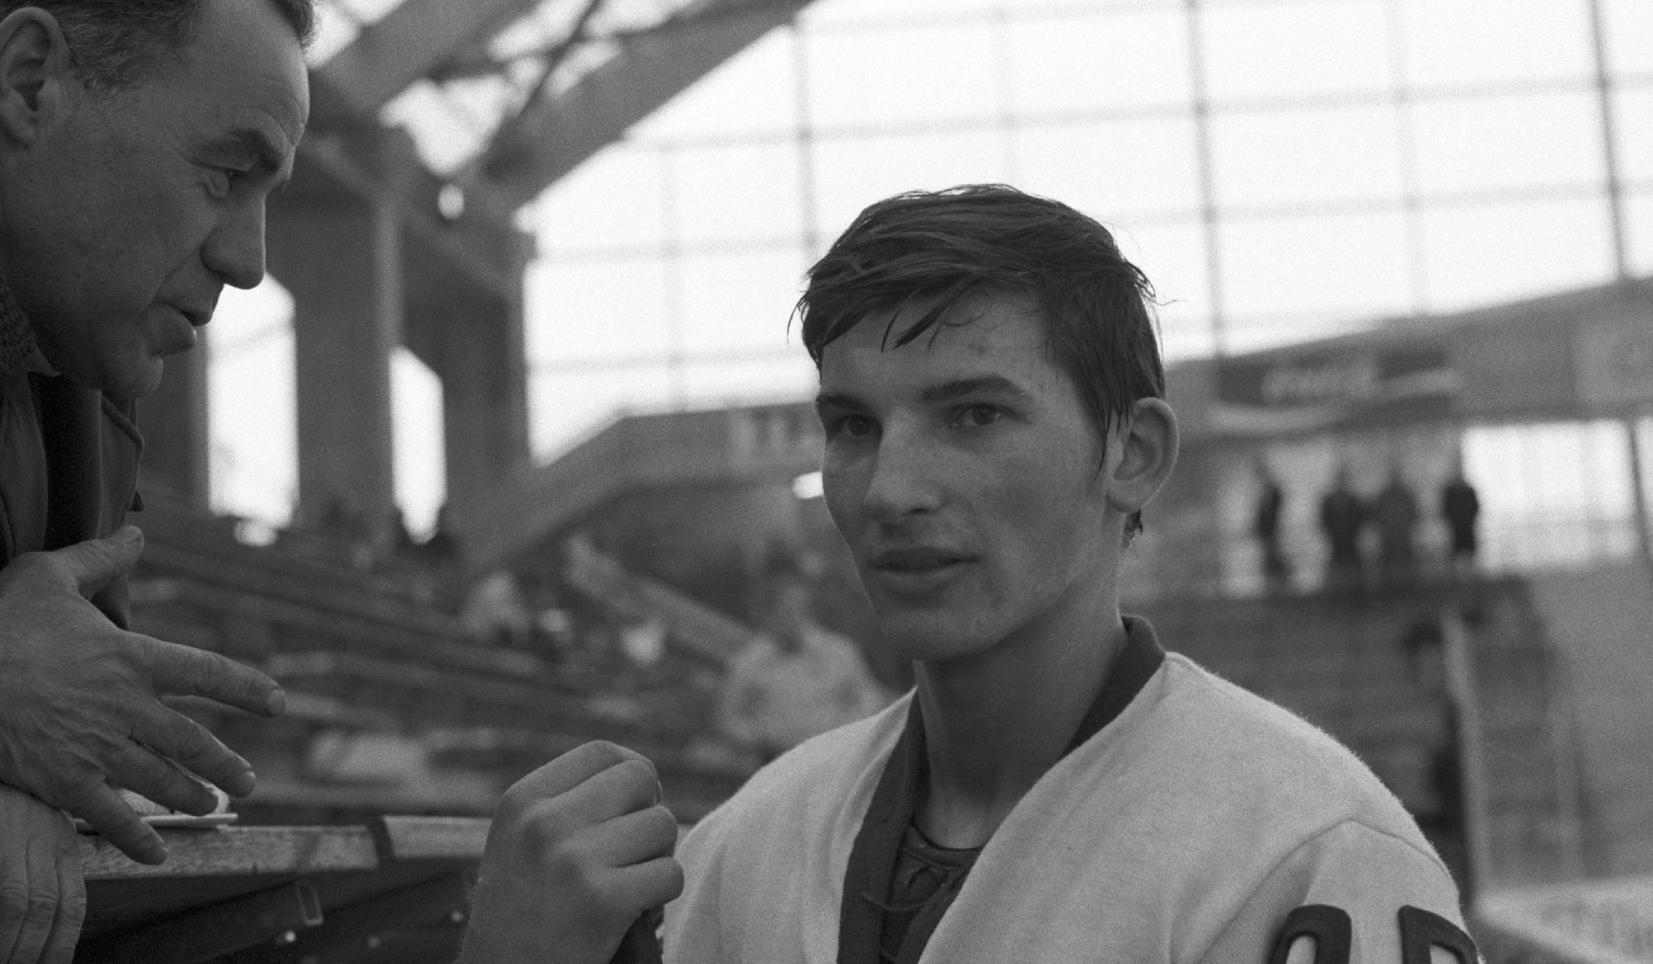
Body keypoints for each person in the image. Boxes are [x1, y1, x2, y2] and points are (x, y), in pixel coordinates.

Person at [459, 187, 1478, 964]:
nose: (889, 488)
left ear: (1131, 455)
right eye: (853, 426)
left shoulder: (1307, 855)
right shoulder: (744, 850)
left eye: (974, 415)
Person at [0, 0, 314, 960]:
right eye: (224, 173)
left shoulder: (86, 369)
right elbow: (16, 706)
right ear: (30, 82)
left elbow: (58, 734)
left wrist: (7, 767)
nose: (249, 261)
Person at [715, 573, 889, 762]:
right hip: (776, 759)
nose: (793, 619)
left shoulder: (839, 652)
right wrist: (757, 737)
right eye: (784, 612)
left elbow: (869, 698)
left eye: (799, 611)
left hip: (837, 755)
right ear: (766, 616)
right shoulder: (749, 663)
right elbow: (729, 717)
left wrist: (848, 730)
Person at [1320, 463, 1366, 595]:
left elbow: (1359, 519)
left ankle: (1354, 592)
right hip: (1336, 539)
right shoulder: (1330, 500)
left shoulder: (1353, 500)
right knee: (1337, 566)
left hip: (1350, 539)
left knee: (1352, 567)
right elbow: (1325, 519)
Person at [1373, 462, 1420, 589]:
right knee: (1388, 562)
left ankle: (1408, 586)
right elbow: (1378, 515)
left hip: (1403, 535)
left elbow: (1412, 514)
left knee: (1405, 561)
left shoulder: (1405, 495)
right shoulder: (1384, 496)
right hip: (1389, 536)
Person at [1251, 456, 1291, 595]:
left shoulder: (1272, 490)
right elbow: (1260, 515)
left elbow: (1275, 510)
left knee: (1274, 555)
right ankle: (1273, 584)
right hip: (1266, 532)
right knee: (1269, 557)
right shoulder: (1261, 492)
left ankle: (1280, 583)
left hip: (1273, 531)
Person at [1440, 458, 1481, 578]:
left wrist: (1467, 520)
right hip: (1456, 529)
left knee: (1469, 555)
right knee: (1455, 554)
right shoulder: (1450, 492)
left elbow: (1475, 508)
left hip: (1467, 528)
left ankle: (1470, 577)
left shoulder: (1469, 491)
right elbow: (1446, 510)